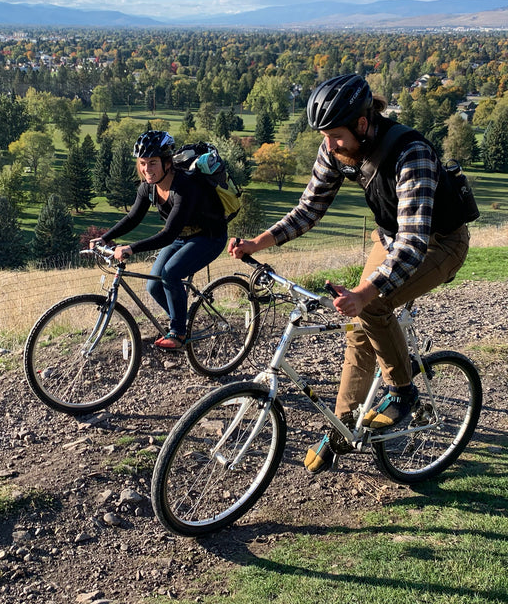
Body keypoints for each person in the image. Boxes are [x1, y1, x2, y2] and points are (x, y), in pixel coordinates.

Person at [229, 74, 470, 474]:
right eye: (324, 136)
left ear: (363, 123)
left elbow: (413, 244)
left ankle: (403, 391)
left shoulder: (412, 154)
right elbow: (309, 209)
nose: (329, 146)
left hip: (438, 243)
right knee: (358, 331)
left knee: (371, 306)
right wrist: (258, 242)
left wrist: (365, 293)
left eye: (336, 136)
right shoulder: (336, 149)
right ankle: (343, 429)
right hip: (391, 237)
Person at [95, 130, 229, 351]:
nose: (147, 169)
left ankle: (178, 333)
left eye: (153, 163)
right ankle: (184, 322)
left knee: (171, 273)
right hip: (181, 237)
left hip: (209, 236)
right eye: (143, 163)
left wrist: (131, 248)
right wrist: (105, 237)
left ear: (167, 163)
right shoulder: (148, 186)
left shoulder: (185, 187)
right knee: (154, 285)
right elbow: (133, 217)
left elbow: (167, 234)